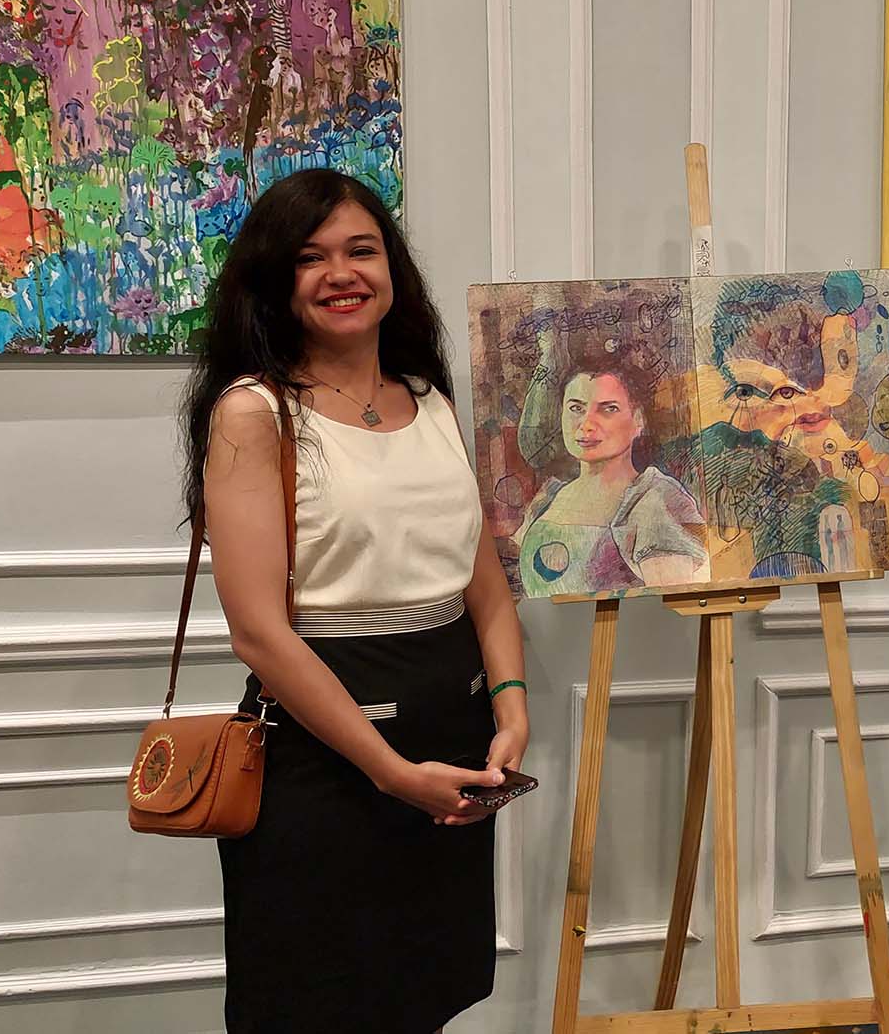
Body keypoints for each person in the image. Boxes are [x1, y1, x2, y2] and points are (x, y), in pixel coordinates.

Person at [180, 168, 530, 1033]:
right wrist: (389, 771)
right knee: (319, 999)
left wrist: (512, 704)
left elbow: (482, 582)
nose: (341, 273)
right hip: (323, 758)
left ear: (391, 268)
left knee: (422, 991)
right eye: (311, 257)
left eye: (361, 250)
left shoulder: (431, 400)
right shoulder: (253, 413)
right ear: (276, 280)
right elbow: (260, 634)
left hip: (451, 741)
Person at [514, 354, 710, 596]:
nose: (586, 424)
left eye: (608, 409)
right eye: (576, 408)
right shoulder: (549, 496)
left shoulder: (654, 499)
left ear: (638, 420)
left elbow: (671, 606)